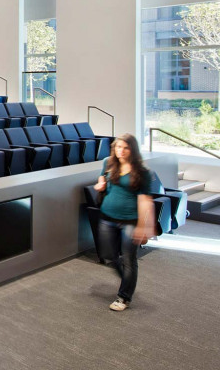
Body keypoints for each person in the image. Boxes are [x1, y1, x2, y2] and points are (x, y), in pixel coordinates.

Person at [93, 133, 156, 312]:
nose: (121, 151)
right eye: (118, 147)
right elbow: (101, 176)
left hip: (130, 220)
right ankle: (127, 281)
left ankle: (124, 296)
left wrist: (144, 227)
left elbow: (145, 200)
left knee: (128, 258)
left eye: (125, 148)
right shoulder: (108, 162)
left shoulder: (142, 172)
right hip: (107, 217)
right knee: (109, 256)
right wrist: (101, 184)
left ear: (132, 150)